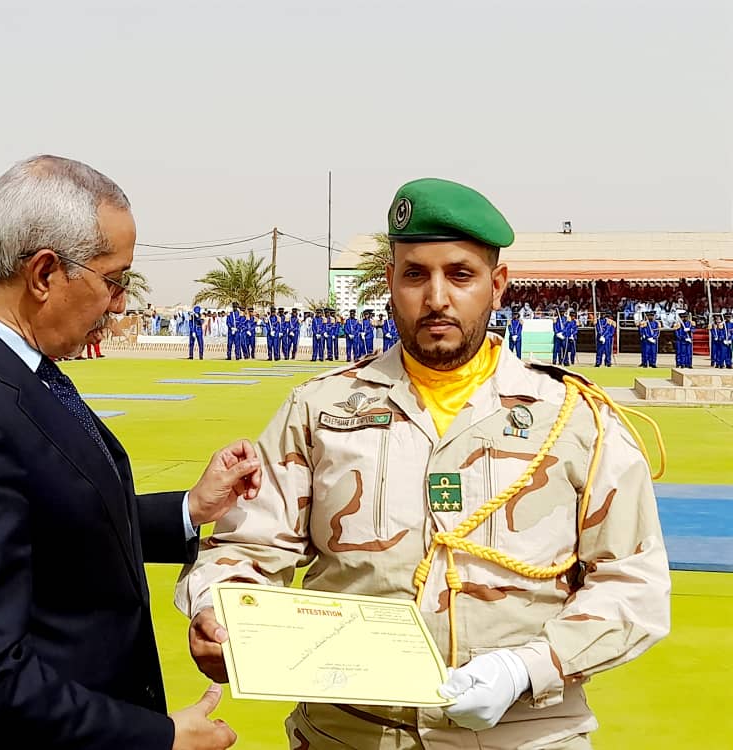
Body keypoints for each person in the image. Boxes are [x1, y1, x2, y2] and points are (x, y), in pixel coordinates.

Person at [176, 177, 669, 750]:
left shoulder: (576, 419)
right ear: (390, 282)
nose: (436, 298)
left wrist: (529, 667)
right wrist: (220, 610)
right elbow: (247, 547)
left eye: (460, 275)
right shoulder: (318, 410)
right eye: (415, 275)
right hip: (353, 734)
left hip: (523, 735)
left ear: (496, 286)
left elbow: (633, 582)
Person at [0, 156, 255, 750]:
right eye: (113, 280)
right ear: (44, 274)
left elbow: (58, 522)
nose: (119, 304)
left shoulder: (14, 366)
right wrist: (156, 737)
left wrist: (189, 509)